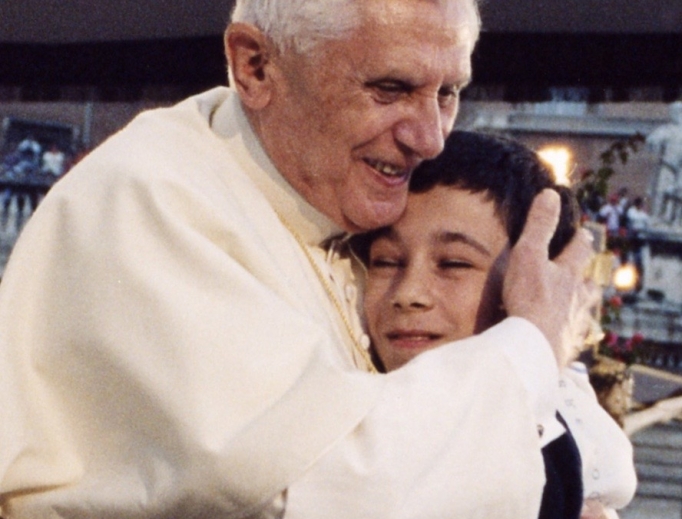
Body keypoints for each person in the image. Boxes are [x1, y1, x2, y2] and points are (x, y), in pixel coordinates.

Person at [0, 1, 595, 517]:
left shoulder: (340, 203)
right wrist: (530, 345)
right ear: (256, 66)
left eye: (448, 94)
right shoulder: (148, 202)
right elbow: (321, 487)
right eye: (390, 89)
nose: (430, 138)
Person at [354, 131, 637, 519]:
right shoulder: (345, 408)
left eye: (453, 263)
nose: (409, 293)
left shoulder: (569, 437)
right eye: (386, 261)